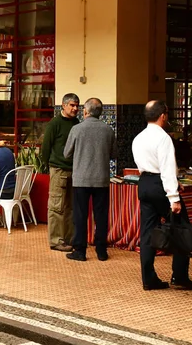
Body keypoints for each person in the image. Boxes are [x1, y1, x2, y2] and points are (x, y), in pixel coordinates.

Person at [132, 100, 192, 291]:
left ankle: (148, 278)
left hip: (144, 184)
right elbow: (167, 169)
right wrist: (174, 197)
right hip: (160, 185)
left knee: (147, 232)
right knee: (181, 228)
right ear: (163, 115)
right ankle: (180, 275)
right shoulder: (163, 138)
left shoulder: (139, 138)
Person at [63, 98, 116, 262]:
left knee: (80, 216)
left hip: (81, 180)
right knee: (101, 215)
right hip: (101, 179)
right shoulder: (108, 130)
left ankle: (80, 250)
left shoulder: (77, 129)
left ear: (85, 111)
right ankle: (101, 251)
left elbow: (66, 153)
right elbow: (114, 154)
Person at [41, 93, 80, 251]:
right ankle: (56, 240)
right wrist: (48, 166)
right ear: (63, 106)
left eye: (77, 105)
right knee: (57, 206)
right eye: (72, 105)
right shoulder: (54, 124)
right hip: (58, 169)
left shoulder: (76, 123)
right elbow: (45, 148)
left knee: (71, 206)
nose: (75, 108)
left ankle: (69, 239)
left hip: (74, 170)